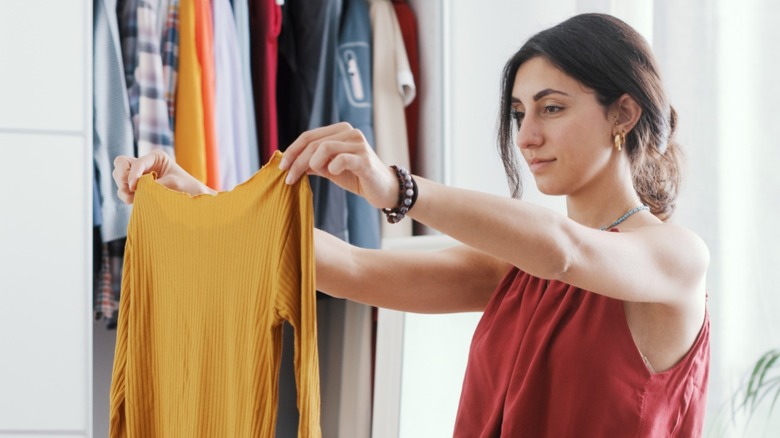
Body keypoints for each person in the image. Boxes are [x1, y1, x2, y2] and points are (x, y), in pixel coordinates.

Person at [113, 13, 710, 437]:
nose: (528, 136)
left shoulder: (677, 260)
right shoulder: (517, 267)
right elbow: (348, 268)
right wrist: (199, 198)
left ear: (623, 113)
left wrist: (399, 188)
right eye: (519, 113)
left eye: (552, 108)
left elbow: (564, 250)